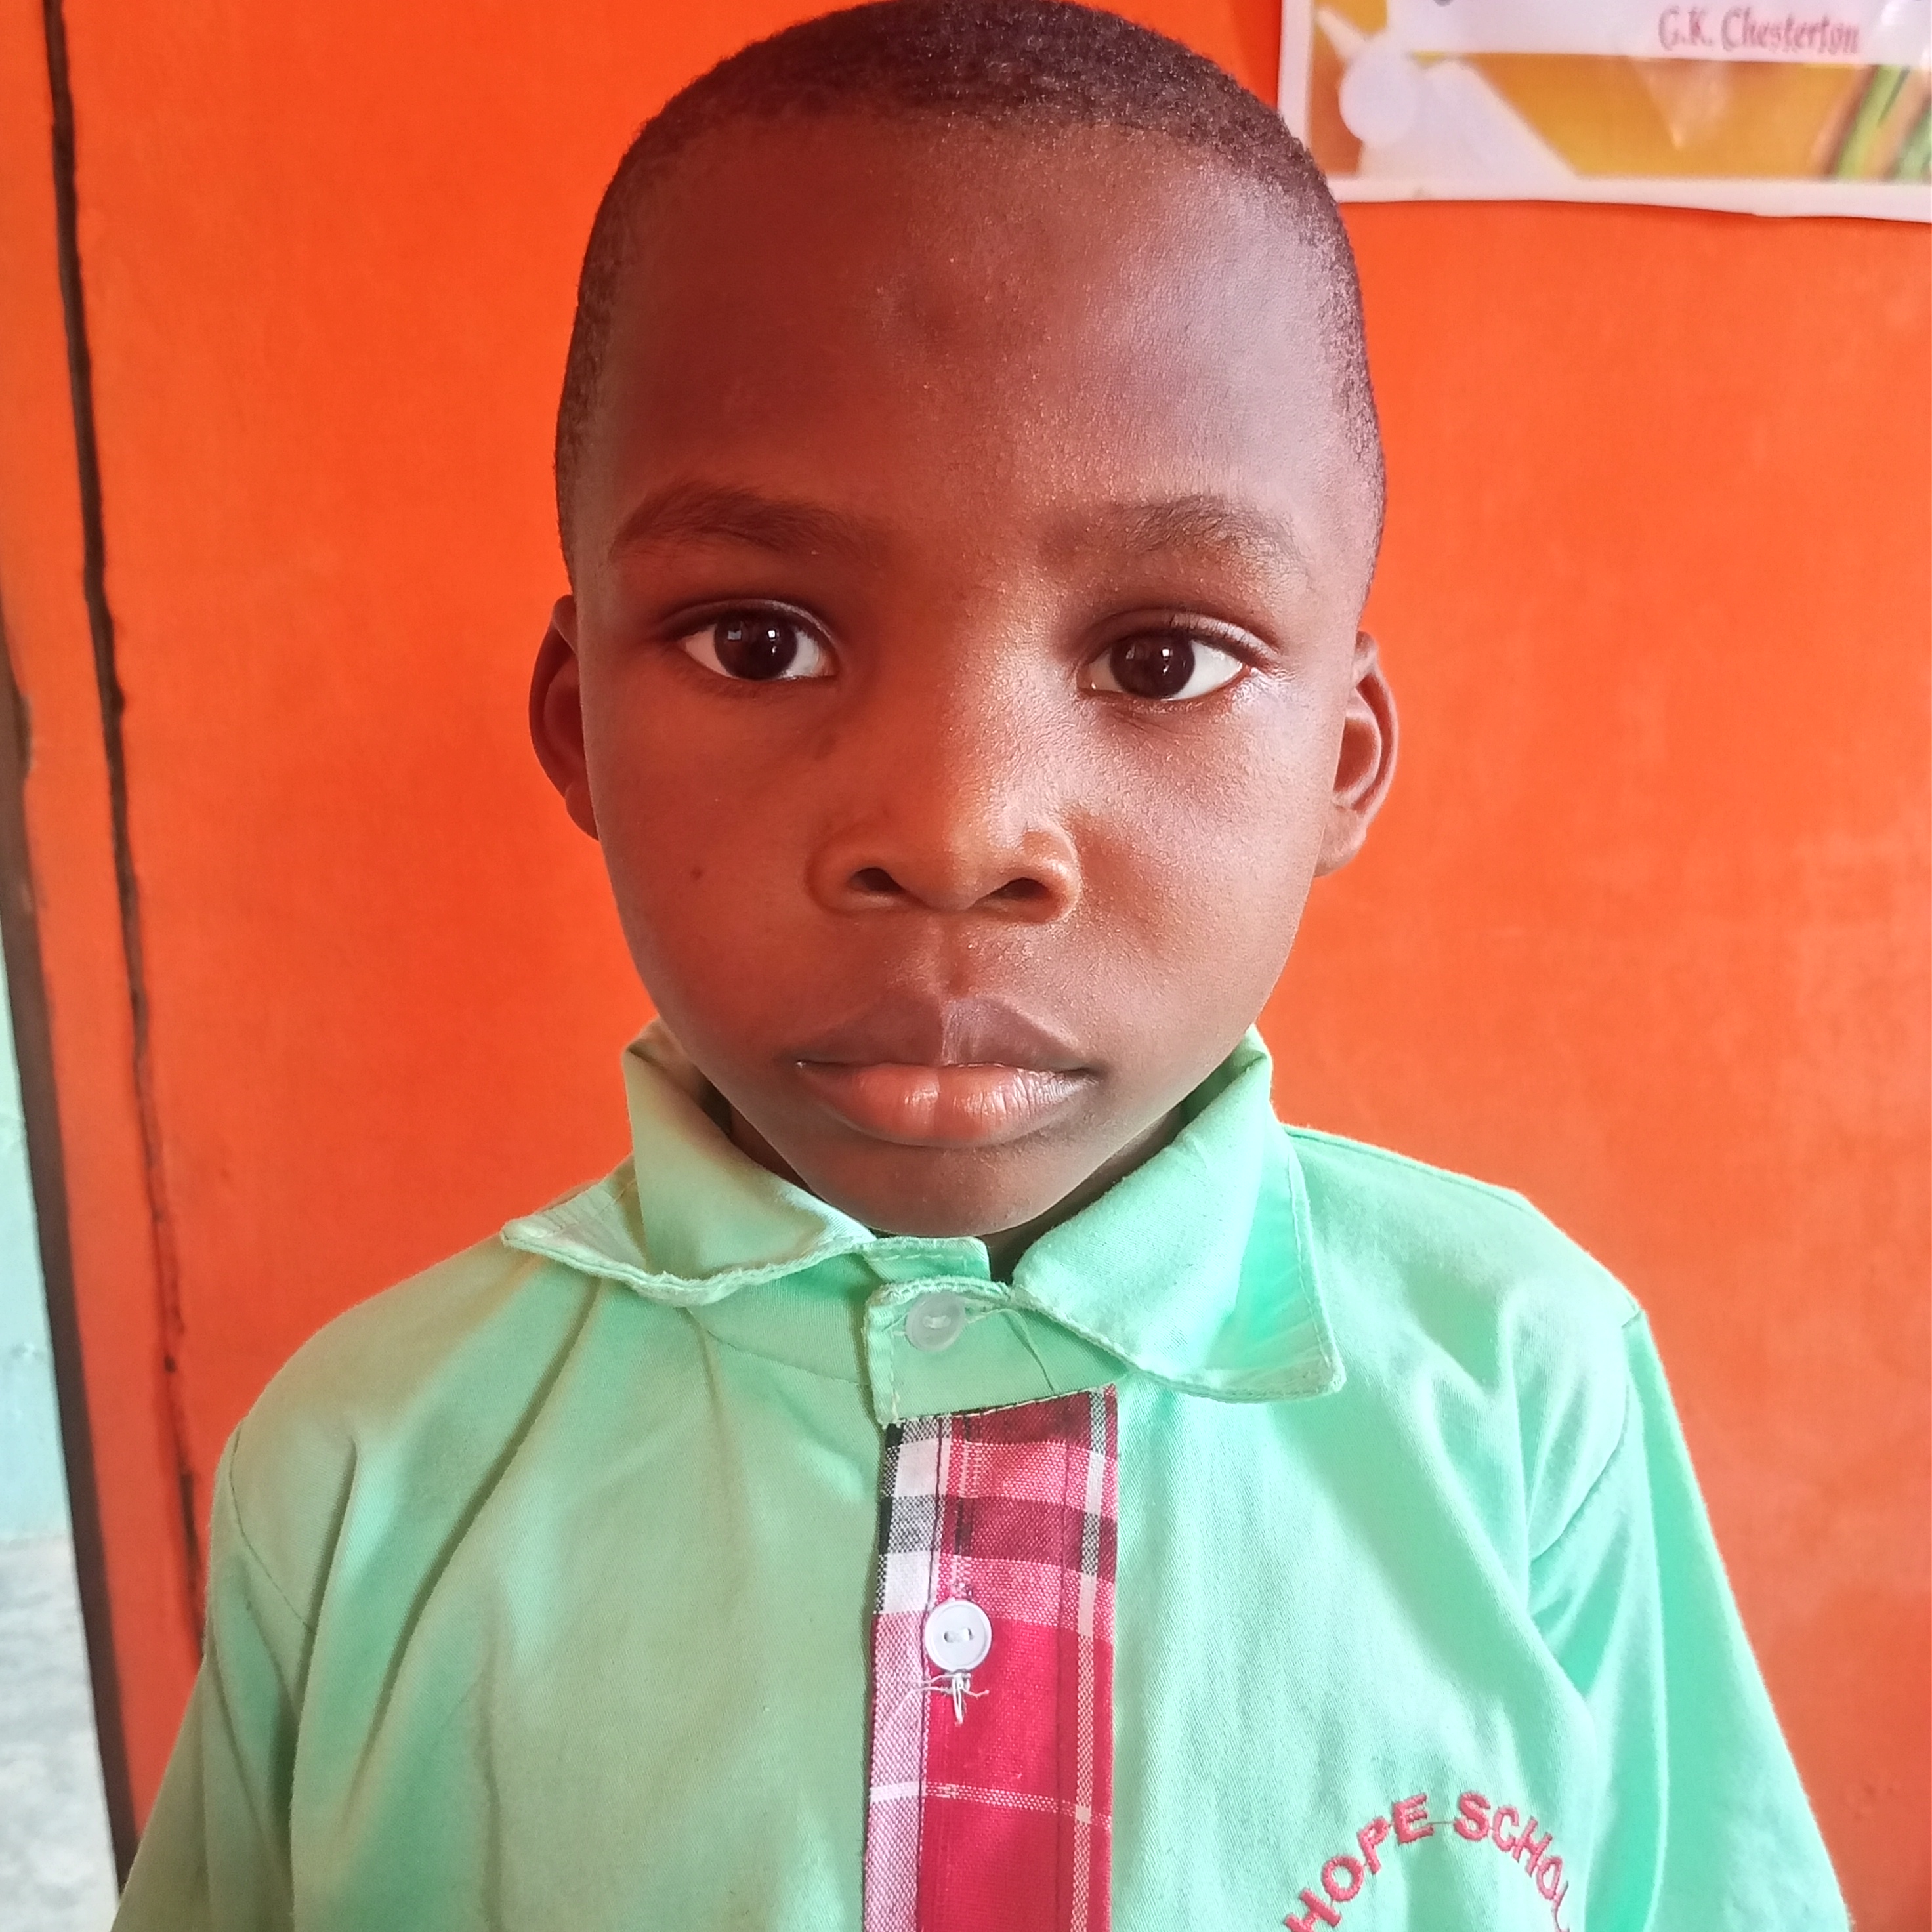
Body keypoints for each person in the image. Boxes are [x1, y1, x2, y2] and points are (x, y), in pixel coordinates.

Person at [114, 4, 1847, 1927]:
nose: (955, 831)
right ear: (576, 725)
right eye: (761, 640)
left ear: (1343, 764)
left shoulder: (1522, 1386)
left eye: (1160, 659)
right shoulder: (367, 1473)